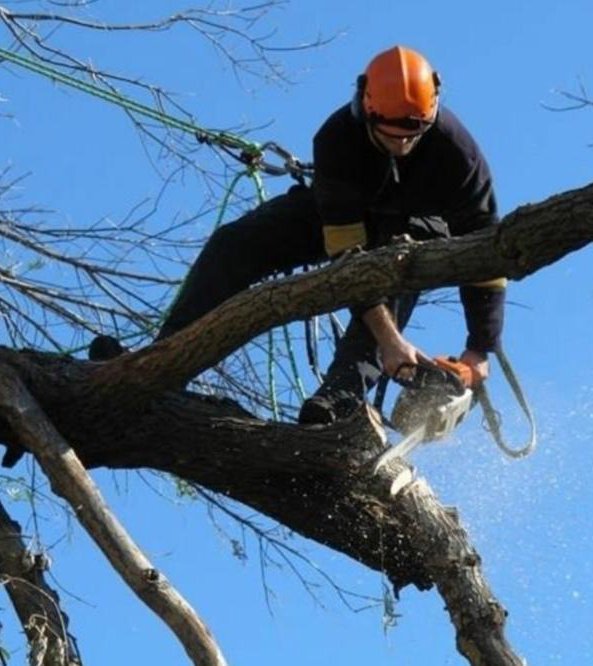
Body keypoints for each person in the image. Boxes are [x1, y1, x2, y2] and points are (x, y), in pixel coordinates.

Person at [154, 45, 507, 425]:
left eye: (413, 135)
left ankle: (337, 398)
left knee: (402, 261)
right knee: (236, 244)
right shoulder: (338, 139)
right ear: (367, 110)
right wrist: (390, 342)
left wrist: (480, 348)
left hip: (417, 230)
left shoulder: (460, 158)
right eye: (392, 136)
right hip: (346, 217)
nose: (403, 144)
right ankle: (161, 362)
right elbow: (347, 258)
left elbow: (486, 253)